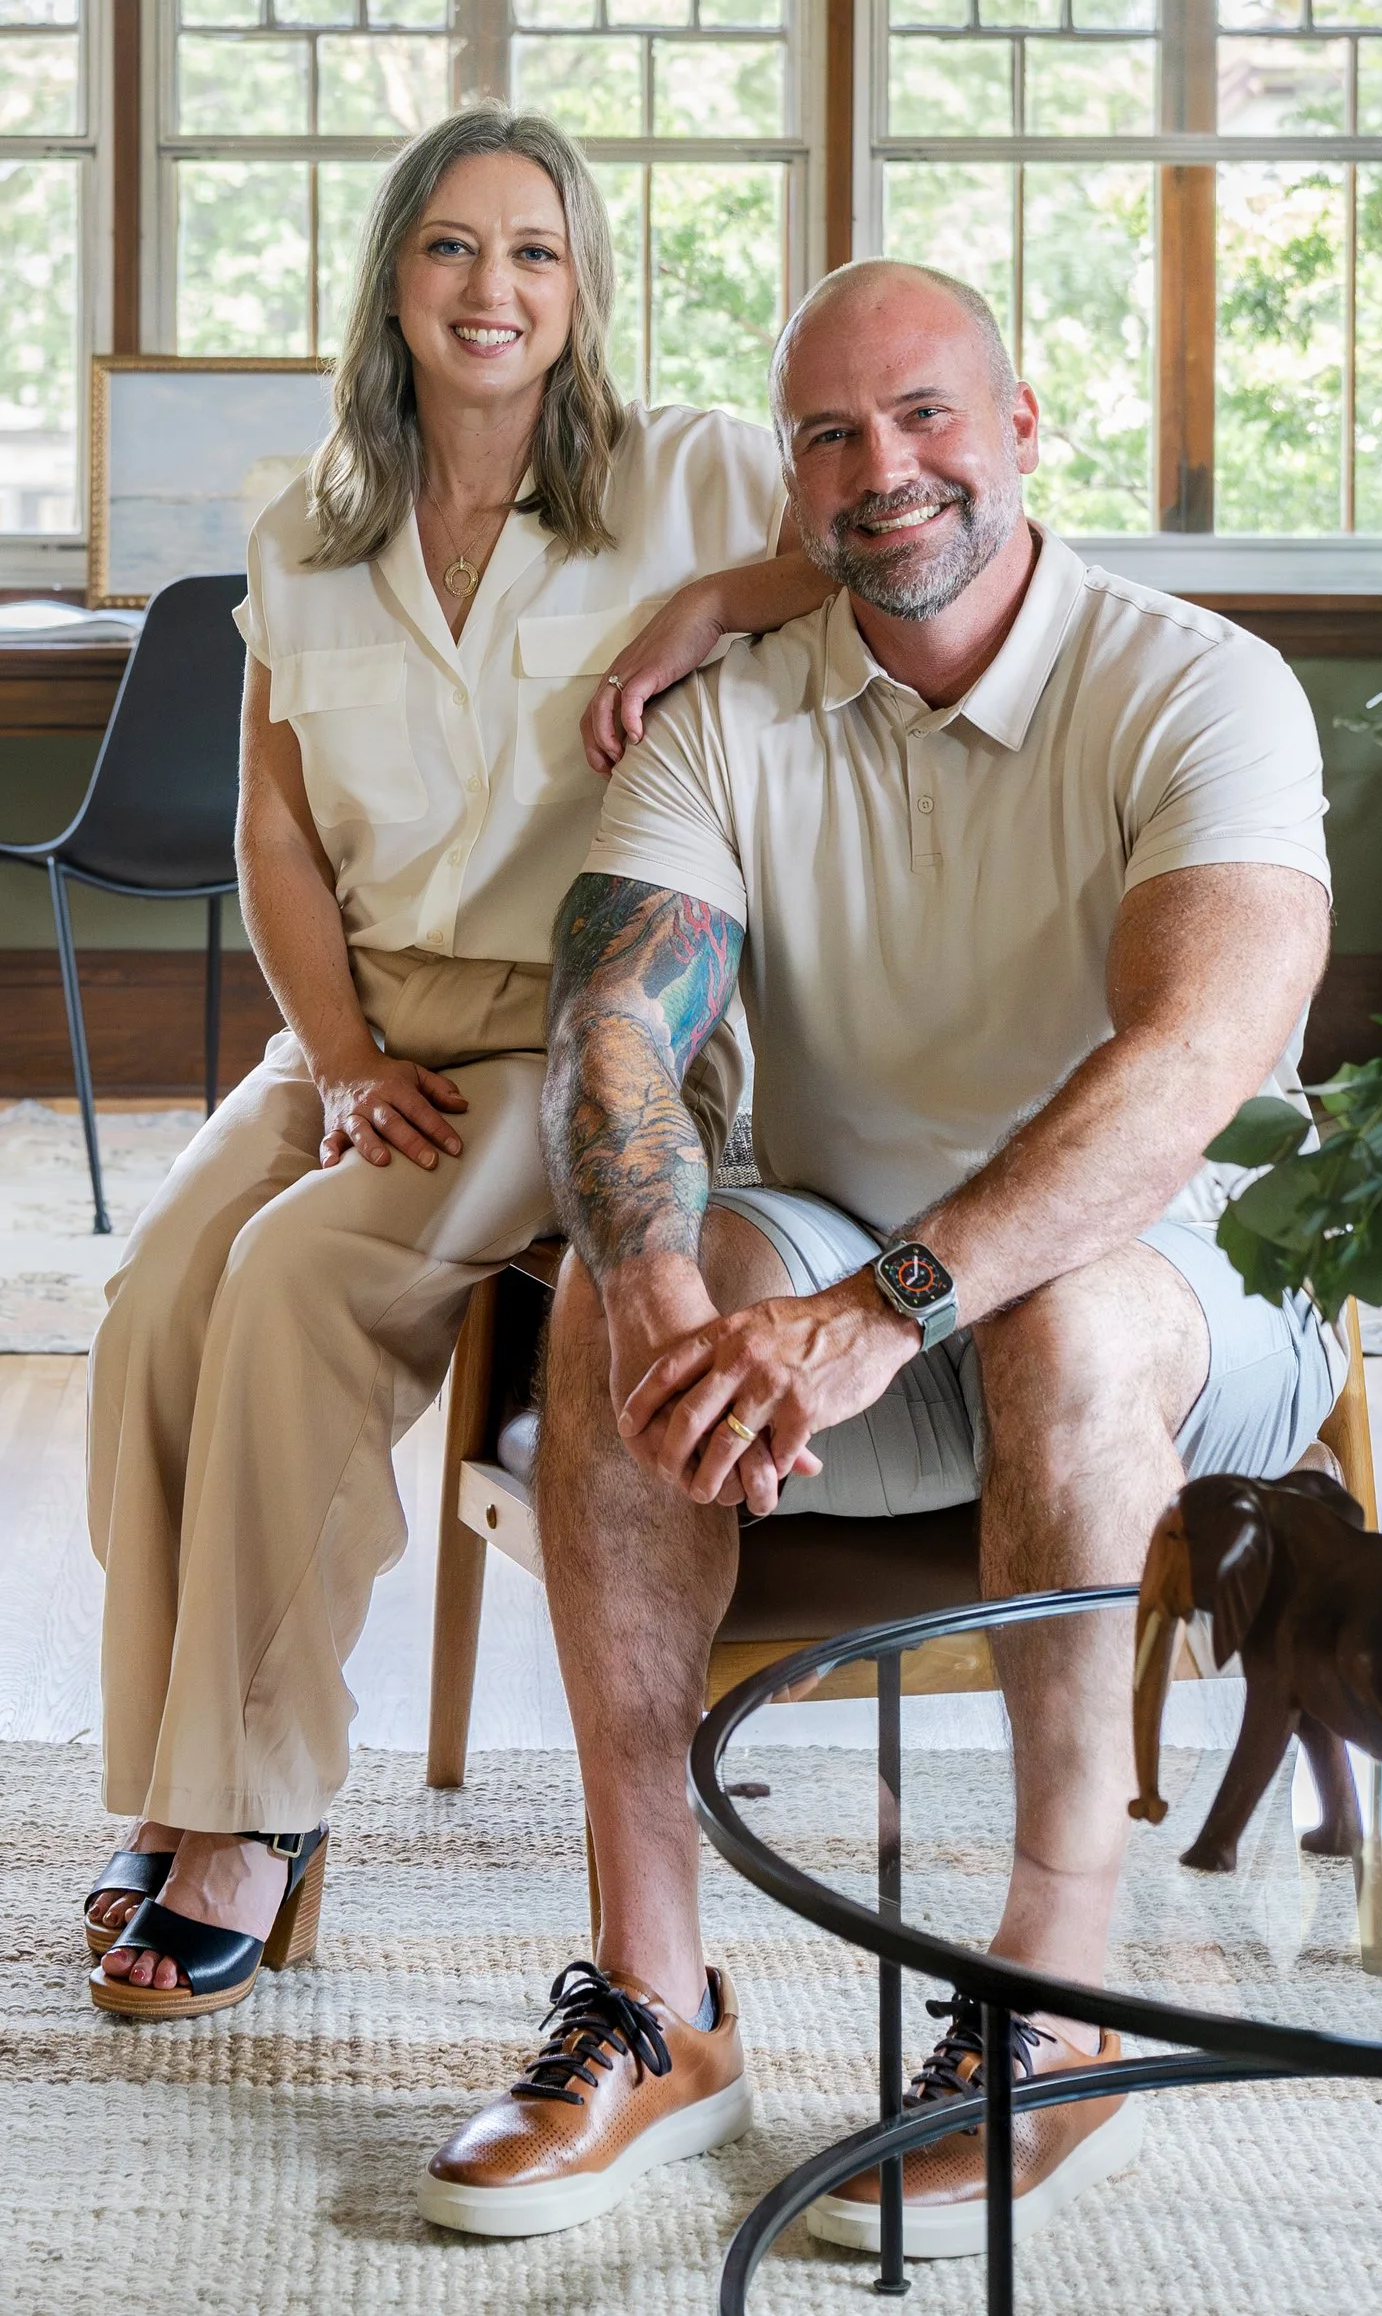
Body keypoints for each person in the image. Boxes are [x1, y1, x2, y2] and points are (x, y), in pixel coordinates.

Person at [421, 257, 1335, 2247]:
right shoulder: (724, 716)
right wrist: (663, 1297)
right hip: (857, 1288)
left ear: (1021, 431)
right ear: (790, 481)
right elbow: (613, 1026)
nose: (883, 467)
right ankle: (658, 2002)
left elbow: (1184, 1067)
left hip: (1185, 1297)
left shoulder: (1197, 686)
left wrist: (886, 1306)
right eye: (830, 434)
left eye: (925, 415)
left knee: (1067, 1315)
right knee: (607, 1298)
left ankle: (1054, 2004)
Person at [82, 103, 821, 2019]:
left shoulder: (684, 475)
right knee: (158, 1291)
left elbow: (861, 542)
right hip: (372, 1024)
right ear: (395, 277)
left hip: (586, 1034)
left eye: (535, 250)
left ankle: (258, 1807)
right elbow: (272, 828)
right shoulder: (308, 526)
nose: (494, 287)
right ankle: (174, 1782)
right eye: (453, 245)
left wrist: (705, 604)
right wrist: (334, 1059)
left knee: (294, 1276)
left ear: (582, 290)